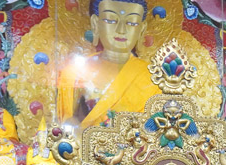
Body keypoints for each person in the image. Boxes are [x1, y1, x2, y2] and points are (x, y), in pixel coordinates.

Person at [56, 0, 161, 129]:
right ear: (95, 23)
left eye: (131, 23)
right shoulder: (74, 72)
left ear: (142, 29)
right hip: (81, 146)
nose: (121, 30)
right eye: (111, 20)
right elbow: (66, 128)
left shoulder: (153, 78)